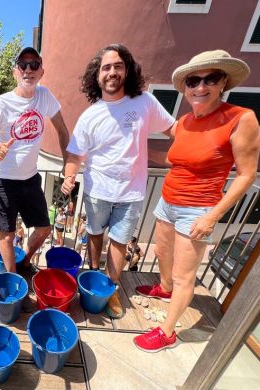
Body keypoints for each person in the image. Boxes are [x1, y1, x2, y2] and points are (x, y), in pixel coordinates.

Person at [133, 50, 260, 352]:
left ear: (223, 82)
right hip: (167, 200)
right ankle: (164, 290)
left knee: (184, 274)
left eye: (210, 79)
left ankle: (167, 332)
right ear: (186, 87)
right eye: (193, 81)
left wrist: (212, 216)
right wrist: (134, 149)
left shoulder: (241, 119)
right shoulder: (186, 121)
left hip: (198, 208)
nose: (200, 87)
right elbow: (176, 158)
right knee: (163, 252)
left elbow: (246, 175)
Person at [62, 44, 175, 319]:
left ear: (127, 70)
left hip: (132, 192)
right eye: (106, 67)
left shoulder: (145, 102)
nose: (112, 72)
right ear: (97, 76)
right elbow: (75, 154)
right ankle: (93, 278)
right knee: (95, 234)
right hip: (97, 190)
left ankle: (110, 289)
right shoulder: (90, 115)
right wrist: (69, 176)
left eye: (117, 66)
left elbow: (174, 130)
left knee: (120, 242)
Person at [0, 46, 70, 275]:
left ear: (41, 72)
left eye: (34, 65)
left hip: (30, 178)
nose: (28, 69)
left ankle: (25, 263)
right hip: (4, 180)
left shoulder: (45, 96)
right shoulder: (0, 103)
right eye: (23, 65)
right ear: (15, 72)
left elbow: (62, 130)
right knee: (7, 237)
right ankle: (13, 283)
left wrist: (68, 165)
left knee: (44, 229)